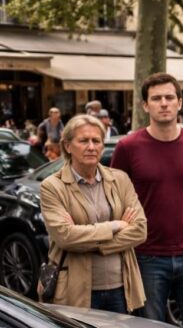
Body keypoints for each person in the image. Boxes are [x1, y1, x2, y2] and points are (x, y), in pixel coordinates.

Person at [111, 72, 183, 328]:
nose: (164, 103)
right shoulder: (127, 147)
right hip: (146, 256)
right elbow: (115, 197)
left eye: (170, 97)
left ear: (180, 103)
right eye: (156, 98)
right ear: (145, 106)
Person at [39, 114, 147, 313]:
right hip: (75, 291)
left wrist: (92, 243)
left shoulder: (120, 179)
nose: (91, 146)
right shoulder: (52, 186)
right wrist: (115, 226)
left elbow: (140, 230)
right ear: (68, 146)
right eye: (83, 140)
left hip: (121, 288)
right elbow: (65, 237)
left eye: (96, 141)